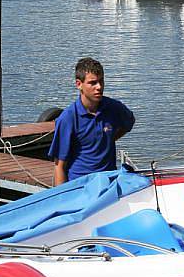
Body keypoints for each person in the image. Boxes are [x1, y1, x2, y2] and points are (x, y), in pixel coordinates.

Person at [48, 57, 135, 185]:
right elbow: (59, 166)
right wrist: (63, 199)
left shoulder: (113, 107)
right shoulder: (68, 118)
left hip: (109, 182)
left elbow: (129, 122)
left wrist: (108, 138)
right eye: (92, 83)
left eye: (101, 81)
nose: (99, 87)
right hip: (81, 185)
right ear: (79, 84)